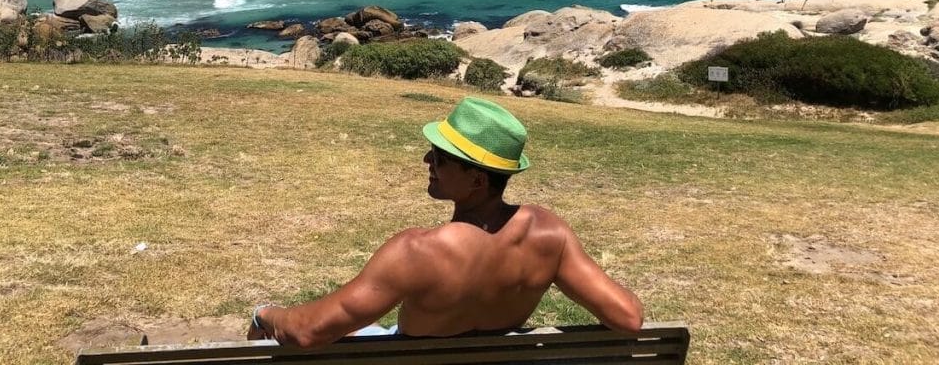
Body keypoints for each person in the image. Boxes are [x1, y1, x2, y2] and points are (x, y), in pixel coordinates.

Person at [247, 97, 643, 348]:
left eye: (439, 156)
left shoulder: (417, 251)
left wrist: (266, 313)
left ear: (477, 178)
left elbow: (307, 331)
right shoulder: (549, 235)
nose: (427, 161)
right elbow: (628, 317)